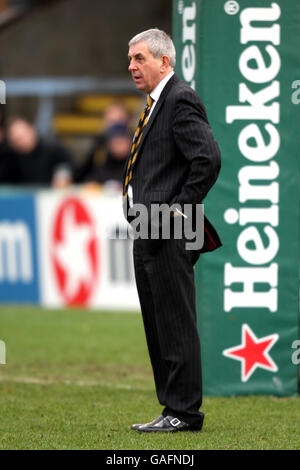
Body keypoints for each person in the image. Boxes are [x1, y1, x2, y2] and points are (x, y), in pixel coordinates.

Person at [123, 29, 222, 433]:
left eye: (140, 58)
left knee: (175, 321)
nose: (131, 66)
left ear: (165, 62)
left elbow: (208, 159)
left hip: (167, 229)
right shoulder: (155, 104)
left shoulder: (179, 99)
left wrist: (179, 211)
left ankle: (184, 411)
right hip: (147, 228)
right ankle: (172, 408)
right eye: (130, 59)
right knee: (158, 323)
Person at [6, 117, 73, 188]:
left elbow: (66, 167)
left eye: (24, 135)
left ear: (32, 130)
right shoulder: (10, 158)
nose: (23, 141)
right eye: (18, 139)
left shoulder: (54, 149)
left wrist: (63, 177)